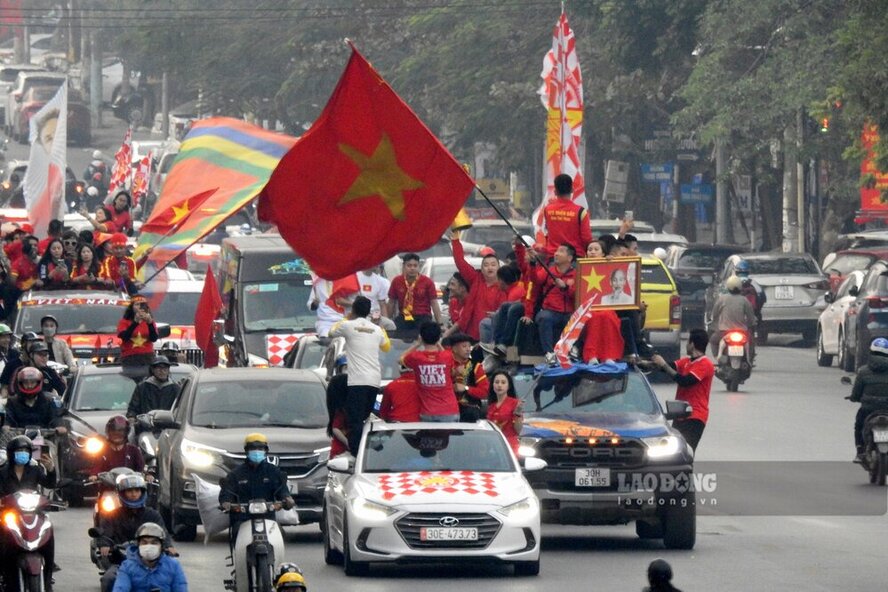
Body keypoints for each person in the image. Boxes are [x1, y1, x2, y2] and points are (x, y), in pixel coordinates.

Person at [328, 296, 391, 455]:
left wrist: (349, 317)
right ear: (369, 312)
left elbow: (331, 332)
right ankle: (366, 451)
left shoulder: (348, 325)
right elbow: (386, 347)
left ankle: (357, 453)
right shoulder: (377, 329)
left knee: (355, 421)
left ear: (354, 309)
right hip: (375, 381)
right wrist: (377, 327)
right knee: (365, 418)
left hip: (357, 381)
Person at [97, 476, 175, 592]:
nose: (134, 494)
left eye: (137, 490)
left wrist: (168, 546)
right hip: (120, 562)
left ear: (142, 492)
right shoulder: (112, 515)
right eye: (130, 491)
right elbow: (105, 533)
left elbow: (162, 532)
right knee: (108, 580)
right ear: (122, 493)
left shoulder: (152, 515)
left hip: (149, 562)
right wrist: (105, 544)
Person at [0, 435, 57, 592]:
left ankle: (49, 573)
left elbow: (50, 483)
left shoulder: (35, 470)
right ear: (11, 453)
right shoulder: (3, 472)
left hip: (32, 513)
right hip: (9, 514)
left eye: (26, 450)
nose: (22, 454)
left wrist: (51, 469)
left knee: (48, 529)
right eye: (19, 451)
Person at [219, 434, 294, 537]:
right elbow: (227, 492)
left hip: (268, 518)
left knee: (280, 534)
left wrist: (287, 498)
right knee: (236, 532)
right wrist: (226, 503)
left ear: (266, 451)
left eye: (260, 448)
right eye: (253, 448)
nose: (257, 451)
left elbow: (282, 489)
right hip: (242, 519)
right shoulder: (235, 474)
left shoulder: (273, 472)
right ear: (246, 451)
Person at [650, 329, 714, 452]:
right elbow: (668, 367)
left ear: (692, 344)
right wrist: (646, 362)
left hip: (695, 416)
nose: (686, 345)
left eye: (687, 342)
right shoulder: (686, 362)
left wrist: (664, 365)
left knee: (686, 451)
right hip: (680, 415)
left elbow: (685, 381)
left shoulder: (705, 364)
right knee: (674, 451)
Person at [522, 244, 577, 364]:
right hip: (550, 311)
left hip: (569, 312)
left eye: (561, 251)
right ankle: (549, 353)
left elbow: (579, 294)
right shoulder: (548, 271)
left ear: (570, 258)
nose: (556, 253)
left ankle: (573, 349)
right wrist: (532, 264)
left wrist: (566, 287)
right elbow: (535, 280)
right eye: (556, 251)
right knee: (544, 318)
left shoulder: (577, 274)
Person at [401, 322, 458, 422]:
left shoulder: (416, 357)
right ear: (438, 338)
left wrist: (417, 344)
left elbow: (401, 359)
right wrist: (438, 344)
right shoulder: (447, 356)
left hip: (428, 412)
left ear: (421, 337)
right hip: (450, 410)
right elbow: (447, 357)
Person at [450, 234, 503, 341]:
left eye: (493, 264)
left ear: (499, 268)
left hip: (493, 336)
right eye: (486, 265)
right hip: (471, 335)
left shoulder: (504, 286)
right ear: (482, 269)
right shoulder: (476, 280)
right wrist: (455, 241)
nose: (490, 267)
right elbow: (460, 262)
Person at [111, 522, 188, 592]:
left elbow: (180, 588)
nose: (148, 546)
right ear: (138, 545)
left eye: (154, 543)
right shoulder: (127, 567)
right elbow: (120, 588)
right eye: (144, 543)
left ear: (161, 546)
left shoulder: (174, 566)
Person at [850, 338, 888, 463]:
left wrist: (854, 398)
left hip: (868, 409)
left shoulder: (863, 371)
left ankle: (860, 451)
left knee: (858, 425)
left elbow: (856, 393)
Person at [541, 173, 592, 258]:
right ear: (572, 190)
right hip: (575, 258)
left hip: (553, 257)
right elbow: (586, 238)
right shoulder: (581, 212)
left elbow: (547, 232)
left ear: (555, 192)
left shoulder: (547, 210)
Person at [387, 253, 441, 332]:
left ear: (419, 267)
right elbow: (391, 302)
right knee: (395, 335)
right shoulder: (397, 281)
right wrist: (388, 321)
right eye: (409, 265)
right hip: (404, 316)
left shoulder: (427, 282)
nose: (412, 268)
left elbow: (434, 303)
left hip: (423, 316)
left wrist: (439, 323)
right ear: (403, 266)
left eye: (415, 266)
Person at [708, 275, 756, 358]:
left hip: (724, 332)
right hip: (742, 332)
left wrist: (712, 319)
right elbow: (751, 317)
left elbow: (714, 314)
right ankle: (749, 359)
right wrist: (752, 324)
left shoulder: (722, 299)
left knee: (713, 340)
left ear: (728, 287)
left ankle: (718, 357)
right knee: (751, 342)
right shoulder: (744, 300)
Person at [4, 366, 65, 431]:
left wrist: (59, 427)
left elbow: (56, 418)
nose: (29, 386)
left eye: (32, 382)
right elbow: (8, 418)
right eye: (26, 383)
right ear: (21, 383)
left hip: (45, 437)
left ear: (38, 382)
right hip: (19, 438)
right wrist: (6, 426)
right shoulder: (12, 401)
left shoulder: (49, 401)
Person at [448, 332, 488, 422]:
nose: (468, 349)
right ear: (454, 349)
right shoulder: (446, 364)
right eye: (464, 346)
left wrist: (466, 388)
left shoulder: (476, 366)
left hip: (469, 409)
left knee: (470, 413)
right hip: (448, 407)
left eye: (469, 346)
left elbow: (485, 392)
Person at [486, 370, 523, 454]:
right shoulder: (491, 406)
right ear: (492, 385)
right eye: (497, 382)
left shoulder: (515, 403)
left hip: (509, 445)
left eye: (503, 382)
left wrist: (518, 414)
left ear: (508, 386)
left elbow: (518, 430)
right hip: (493, 446)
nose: (499, 385)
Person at [117, 297, 159, 366]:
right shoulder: (124, 322)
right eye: (137, 304)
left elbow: (154, 338)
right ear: (132, 307)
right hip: (129, 357)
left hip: (147, 356)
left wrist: (150, 324)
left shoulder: (150, 322)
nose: (139, 307)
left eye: (142, 305)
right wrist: (135, 323)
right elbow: (124, 337)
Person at [325, 355, 350, 457]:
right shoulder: (341, 411)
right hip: (341, 454)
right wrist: (349, 443)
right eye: (345, 368)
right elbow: (335, 429)